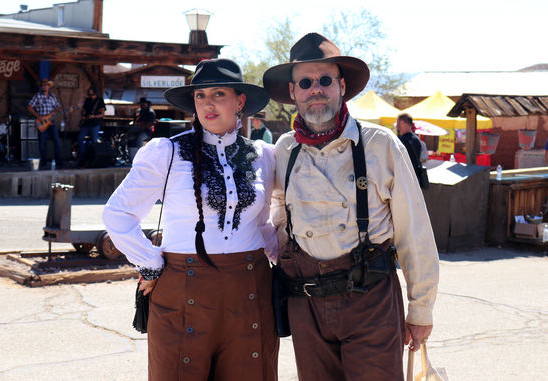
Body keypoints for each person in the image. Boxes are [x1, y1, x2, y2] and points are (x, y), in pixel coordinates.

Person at [264, 33, 439, 380]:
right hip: (307, 304)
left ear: (341, 86)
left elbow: (413, 229)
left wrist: (421, 309)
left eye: (325, 80)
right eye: (306, 82)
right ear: (293, 91)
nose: (316, 89)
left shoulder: (380, 144)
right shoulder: (284, 150)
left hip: (370, 300)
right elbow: (278, 209)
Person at [102, 58, 279, 381]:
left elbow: (264, 223)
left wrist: (286, 262)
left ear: (240, 101)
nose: (207, 103)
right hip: (183, 289)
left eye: (218, 94)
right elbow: (117, 214)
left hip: (250, 289)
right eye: (200, 96)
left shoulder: (264, 156)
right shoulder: (166, 152)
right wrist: (151, 263)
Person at [27, 78, 63, 167]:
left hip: (51, 122)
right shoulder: (38, 96)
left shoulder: (52, 97)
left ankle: (58, 160)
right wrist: (38, 116)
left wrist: (66, 110)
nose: (43, 86)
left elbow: (57, 108)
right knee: (42, 142)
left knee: (57, 141)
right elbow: (29, 107)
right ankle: (44, 161)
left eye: (45, 85)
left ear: (49, 86)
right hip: (41, 121)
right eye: (42, 85)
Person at [77, 85, 106, 158]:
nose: (91, 96)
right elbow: (83, 110)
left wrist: (94, 116)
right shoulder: (87, 100)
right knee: (80, 138)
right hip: (86, 123)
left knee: (94, 141)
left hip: (95, 124)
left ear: (96, 93)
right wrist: (82, 116)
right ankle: (83, 155)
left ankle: (94, 157)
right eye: (90, 94)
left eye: (93, 94)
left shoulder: (100, 101)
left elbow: (102, 114)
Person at [396, 112, 424, 183]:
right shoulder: (417, 139)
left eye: (397, 123)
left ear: (402, 123)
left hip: (404, 178)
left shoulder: (401, 141)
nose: (396, 126)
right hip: (416, 177)